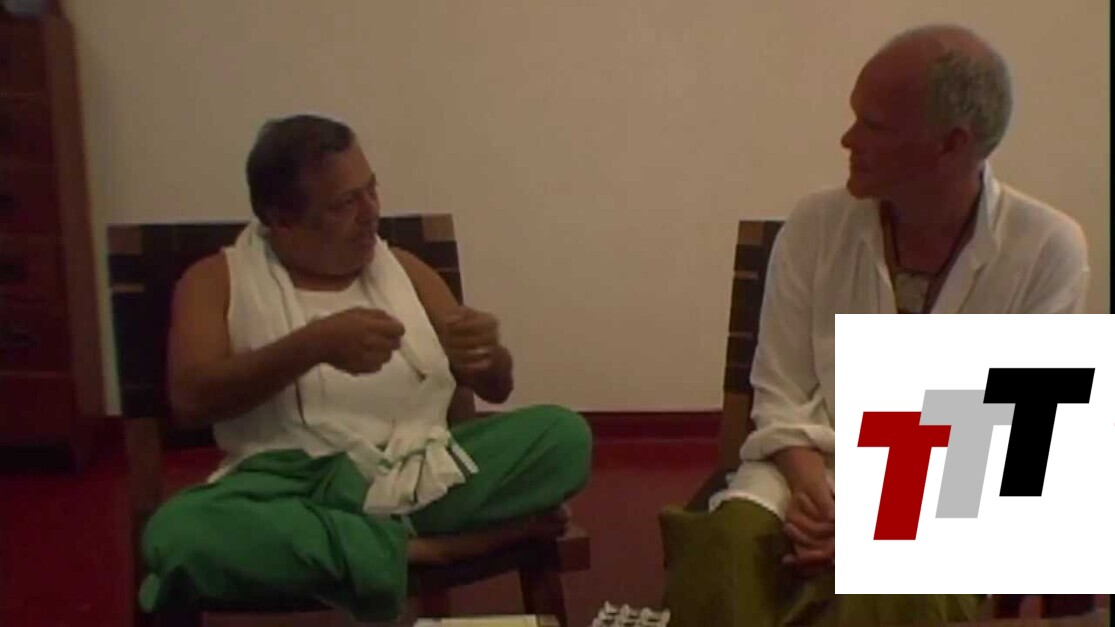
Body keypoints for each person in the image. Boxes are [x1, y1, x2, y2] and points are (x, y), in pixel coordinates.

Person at [661, 24, 1088, 627]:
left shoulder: (1047, 246)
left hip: (950, 501)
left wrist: (881, 526)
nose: (847, 138)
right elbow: (779, 391)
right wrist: (814, 489)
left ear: (951, 145)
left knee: (892, 591)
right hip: (807, 475)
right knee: (724, 555)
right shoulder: (815, 225)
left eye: (874, 126)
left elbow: (1021, 443)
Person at [139, 114, 592, 622]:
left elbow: (496, 386)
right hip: (286, 490)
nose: (371, 213)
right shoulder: (216, 279)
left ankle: (362, 547)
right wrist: (313, 346)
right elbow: (190, 398)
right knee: (176, 535)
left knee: (563, 436)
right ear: (280, 219)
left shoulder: (405, 269)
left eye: (371, 190)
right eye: (345, 204)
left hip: (418, 479)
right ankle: (423, 552)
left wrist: (489, 355)